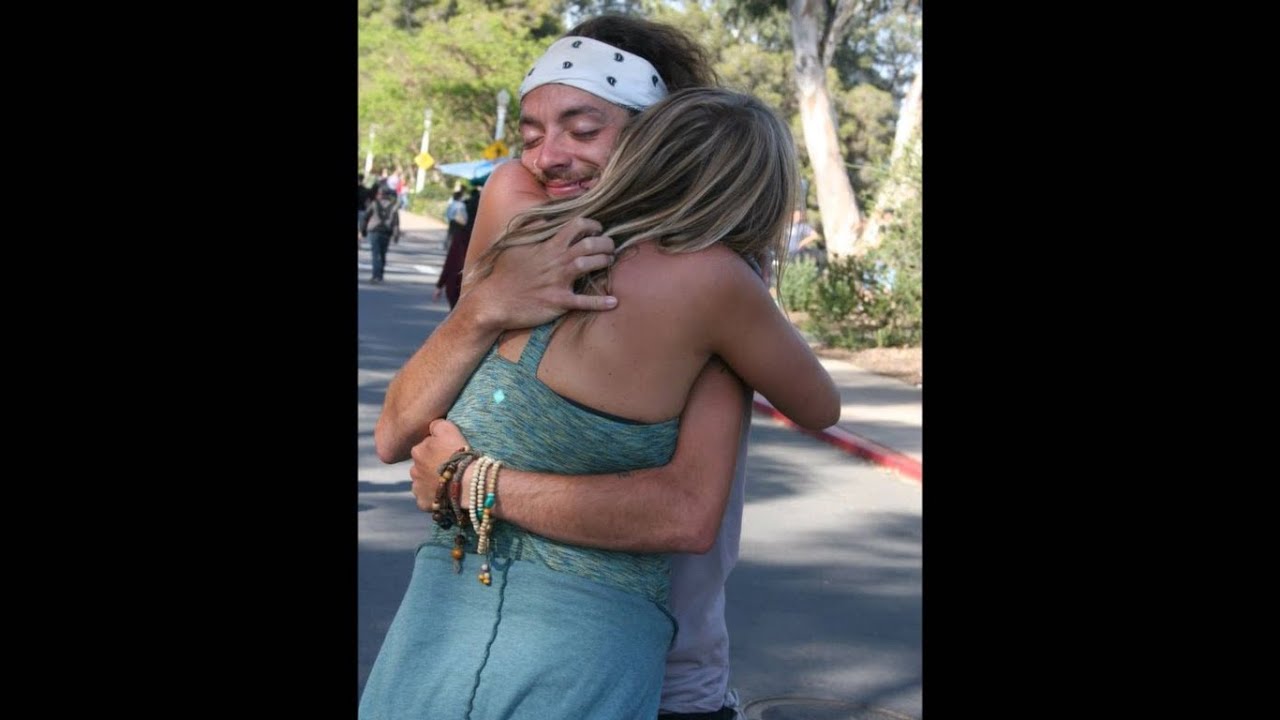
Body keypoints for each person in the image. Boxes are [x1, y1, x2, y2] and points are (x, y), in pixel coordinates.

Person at [372, 16, 829, 720]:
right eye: (529, 138)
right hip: (450, 630)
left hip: (654, 670)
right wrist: (483, 305)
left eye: (584, 131)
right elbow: (395, 434)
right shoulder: (527, 239)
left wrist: (471, 480)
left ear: (658, 137)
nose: (547, 157)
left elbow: (685, 512)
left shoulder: (702, 280)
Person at [434, 187, 479, 308]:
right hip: (478, 289)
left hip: (456, 285)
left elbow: (451, 262)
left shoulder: (461, 235)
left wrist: (440, 285)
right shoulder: (488, 236)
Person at [360, 184, 399, 283]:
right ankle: (380, 274)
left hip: (374, 231)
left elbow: (365, 217)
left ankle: (376, 275)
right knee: (383, 253)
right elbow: (395, 223)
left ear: (380, 194)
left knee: (376, 254)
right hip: (387, 232)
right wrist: (396, 235)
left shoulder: (374, 204)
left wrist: (363, 230)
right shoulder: (393, 206)